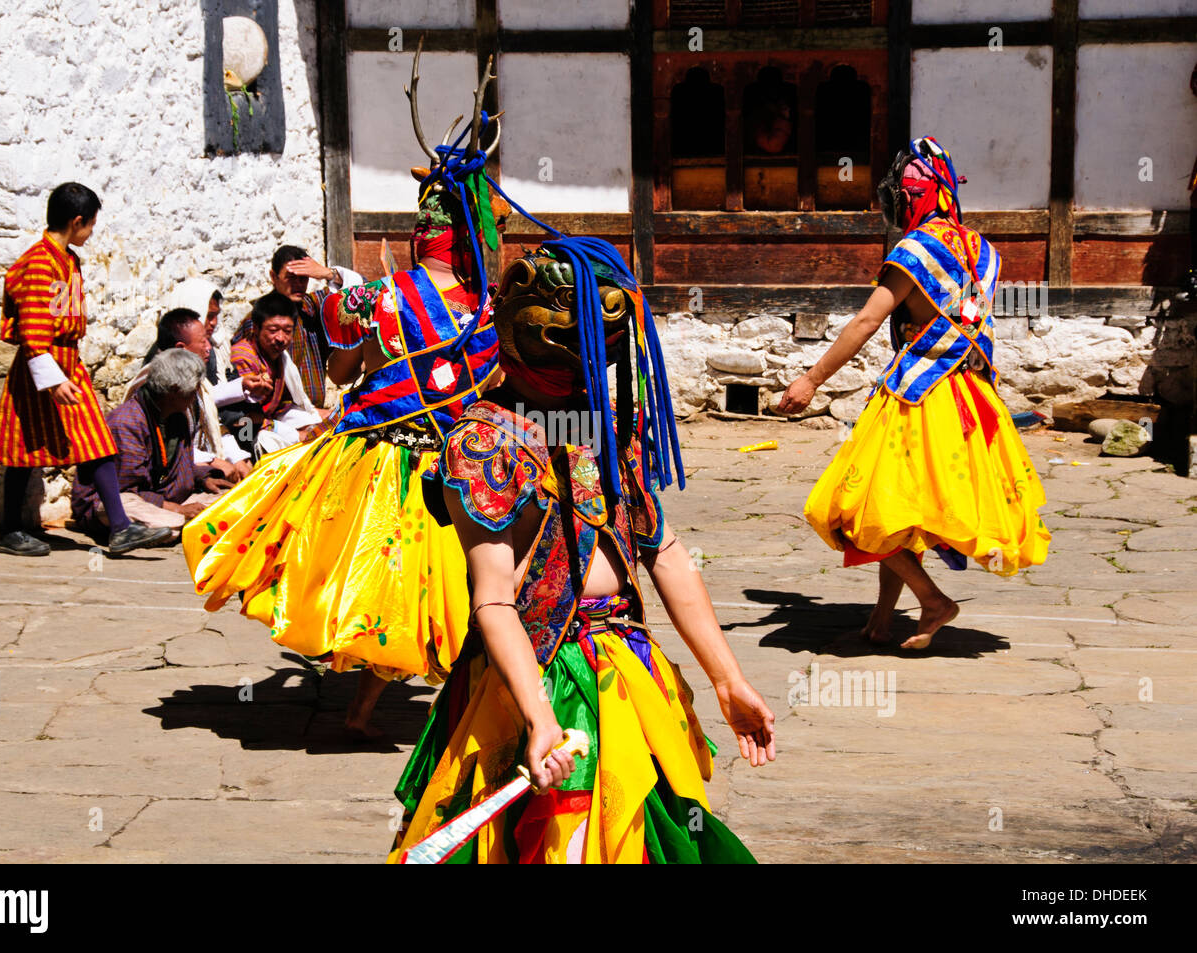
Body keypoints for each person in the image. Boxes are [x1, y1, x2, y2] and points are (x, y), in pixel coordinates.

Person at [388, 240, 777, 864]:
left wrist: (728, 680)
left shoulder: (603, 426)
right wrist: (539, 718)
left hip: (625, 669)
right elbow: (493, 600)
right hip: (542, 680)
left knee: (650, 834)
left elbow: (664, 552)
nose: (584, 372)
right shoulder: (485, 441)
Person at [183, 44, 506, 736]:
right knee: (457, 585)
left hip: (382, 457)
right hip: (459, 466)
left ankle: (366, 702)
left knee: (370, 578)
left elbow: (338, 369)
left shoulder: (389, 297)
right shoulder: (487, 314)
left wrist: (343, 300)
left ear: (424, 233)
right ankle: (463, 704)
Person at [777, 136, 1051, 650]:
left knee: (855, 510)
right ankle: (883, 618)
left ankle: (933, 600)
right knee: (904, 514)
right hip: (971, 398)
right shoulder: (984, 253)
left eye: (897, 197)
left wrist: (811, 379)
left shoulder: (915, 249)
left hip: (919, 399)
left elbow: (867, 320)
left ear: (912, 196)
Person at [0, 182, 171, 557]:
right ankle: (10, 529)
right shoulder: (40, 263)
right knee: (25, 449)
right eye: (90, 225)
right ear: (76, 222)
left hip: (67, 364)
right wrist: (52, 380)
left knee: (97, 441)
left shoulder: (66, 259)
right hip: (41, 366)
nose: (91, 233)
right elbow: (34, 328)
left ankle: (121, 528)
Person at [70, 350, 227, 535]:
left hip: (167, 500)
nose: (195, 396)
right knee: (137, 510)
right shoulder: (127, 423)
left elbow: (176, 469)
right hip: (121, 503)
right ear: (175, 391)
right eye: (193, 391)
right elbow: (126, 489)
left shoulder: (178, 417)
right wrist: (176, 509)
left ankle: (189, 524)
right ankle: (186, 525)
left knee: (232, 500)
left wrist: (204, 478)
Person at [231, 246, 364, 409]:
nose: (299, 284)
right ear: (274, 276)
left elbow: (362, 292)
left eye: (304, 278)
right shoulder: (258, 320)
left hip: (315, 412)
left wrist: (328, 273)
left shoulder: (313, 306)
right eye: (291, 278)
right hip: (279, 416)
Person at [132, 309, 252, 481]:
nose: (209, 348)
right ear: (181, 349)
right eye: (203, 342)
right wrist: (212, 462)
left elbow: (212, 426)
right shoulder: (158, 389)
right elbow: (165, 447)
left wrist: (237, 457)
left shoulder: (198, 383)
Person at [227, 292, 328, 456]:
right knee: (274, 444)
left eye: (287, 331)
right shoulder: (244, 357)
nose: (281, 338)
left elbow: (281, 406)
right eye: (273, 330)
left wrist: (312, 416)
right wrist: (292, 434)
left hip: (268, 417)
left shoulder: (278, 355)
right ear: (257, 328)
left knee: (317, 428)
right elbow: (246, 416)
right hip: (243, 427)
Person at [164, 278, 230, 386]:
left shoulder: (216, 344)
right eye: (209, 316)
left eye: (216, 315)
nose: (214, 322)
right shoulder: (167, 358)